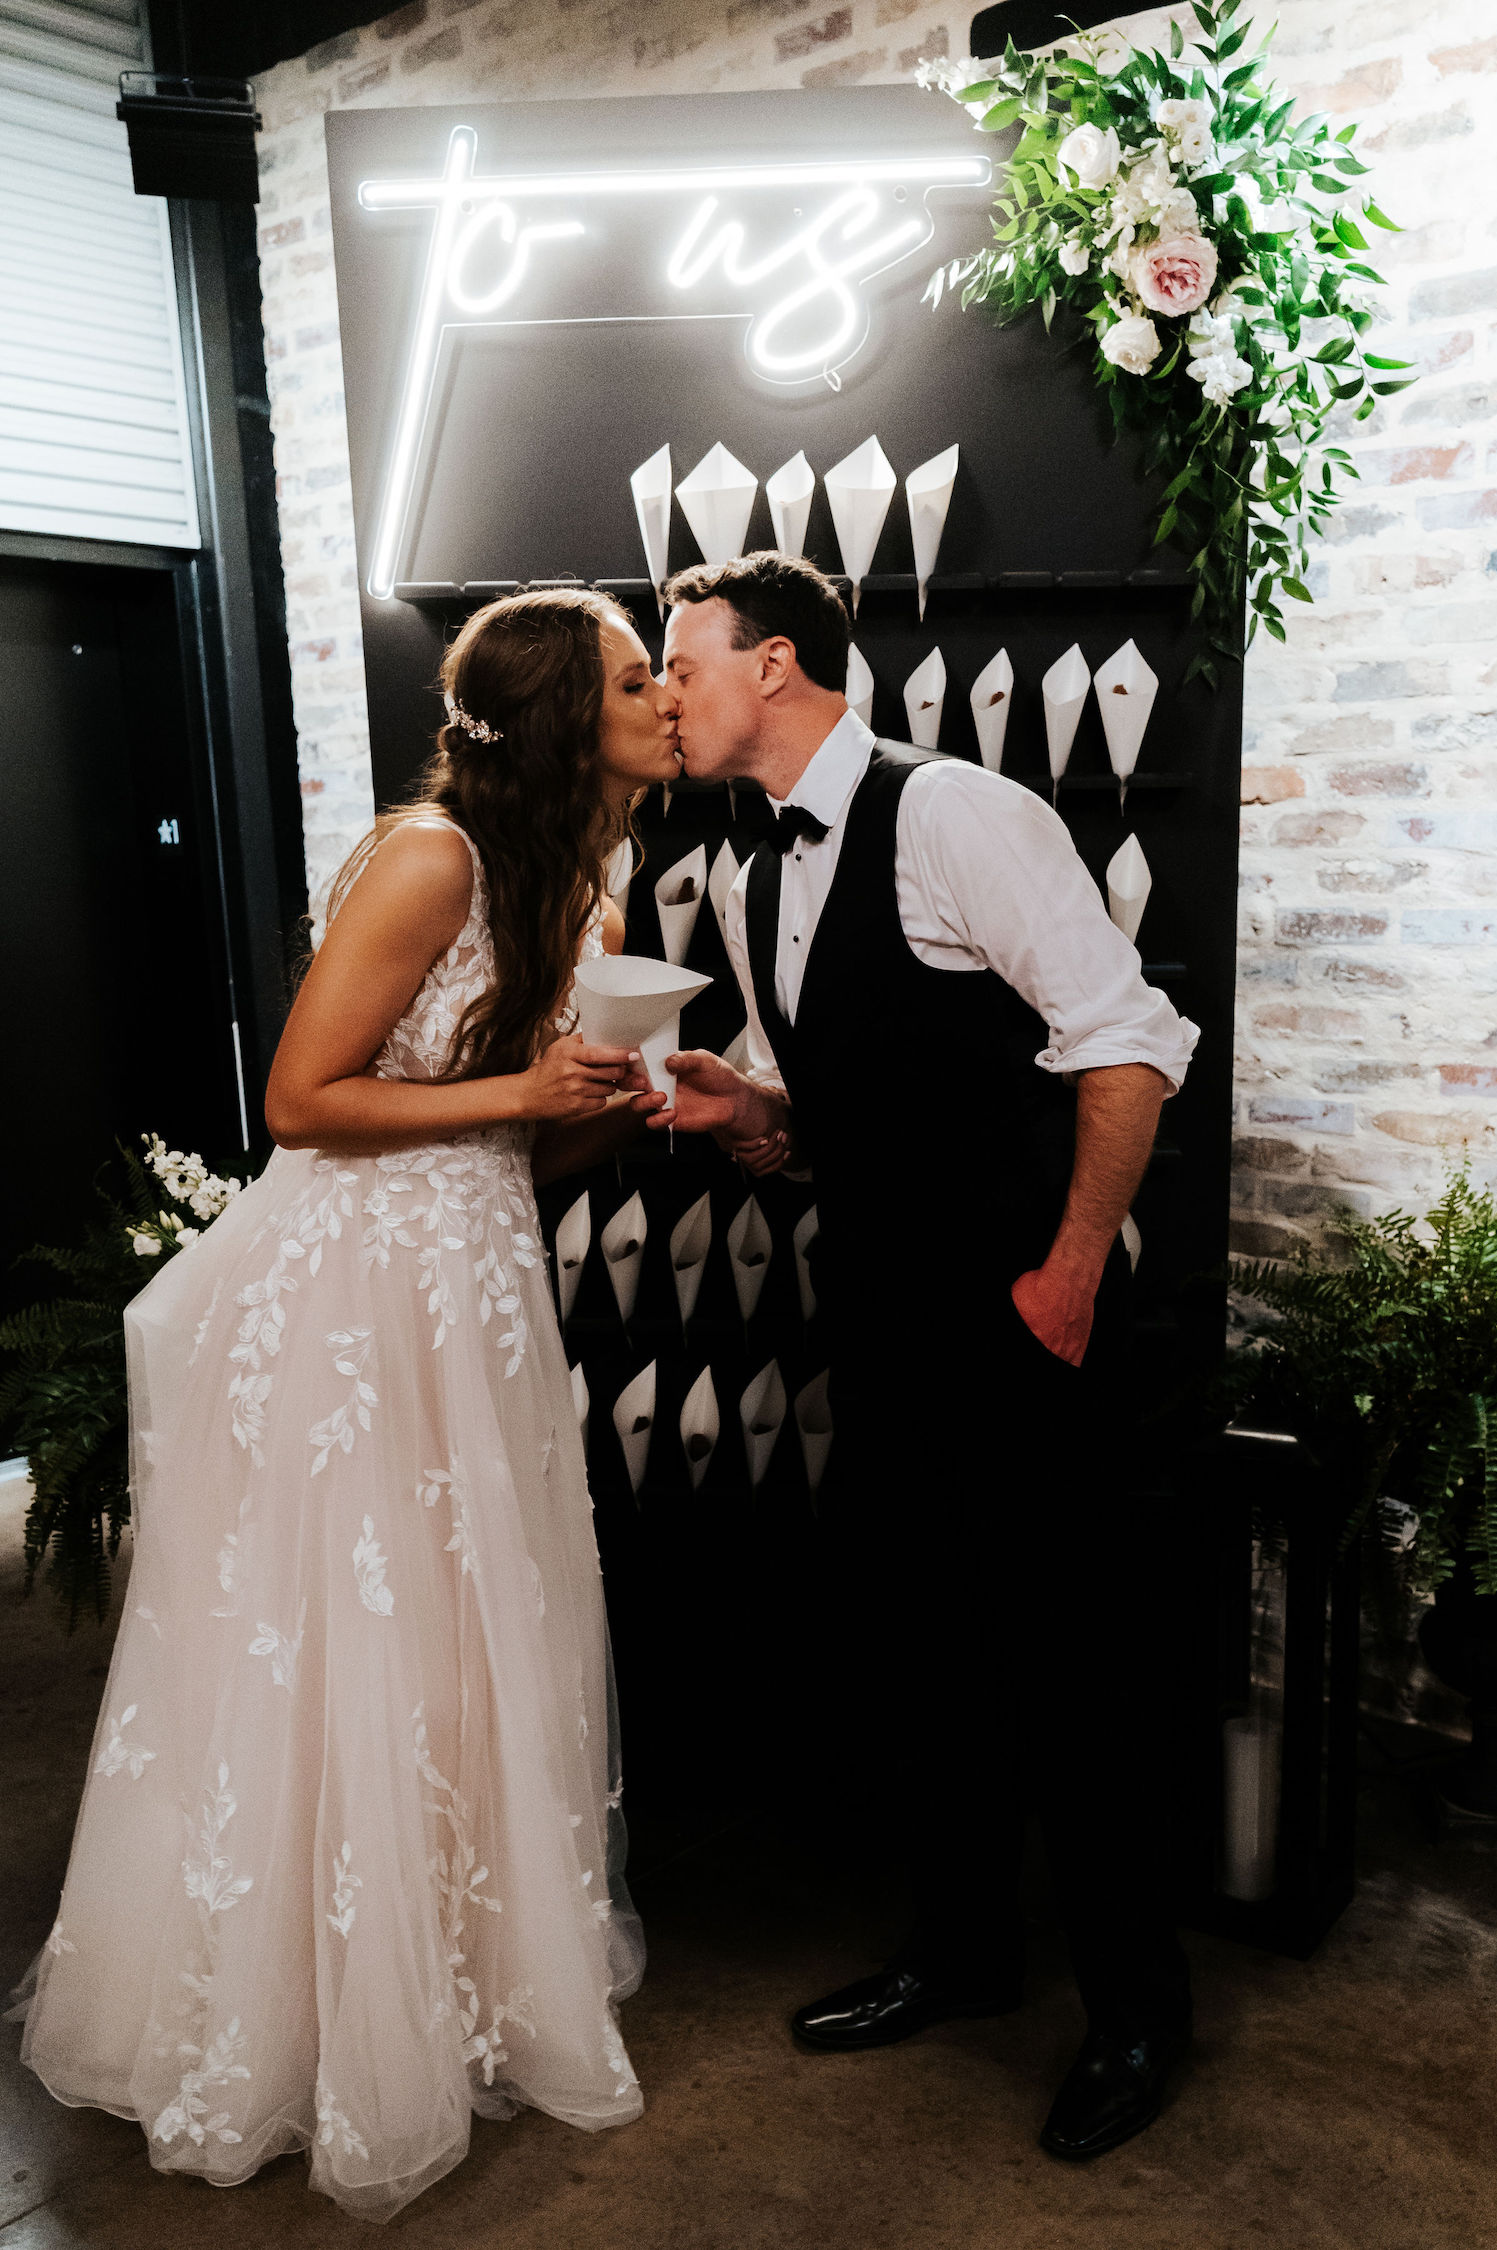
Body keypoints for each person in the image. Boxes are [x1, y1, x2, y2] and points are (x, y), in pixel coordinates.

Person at [16, 590, 677, 2220]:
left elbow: (521, 1143)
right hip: (357, 1285)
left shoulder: (586, 881)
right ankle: (294, 2006)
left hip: (480, 1278)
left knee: (470, 1631)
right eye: (634, 675)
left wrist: (614, 1101)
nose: (665, 698)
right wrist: (527, 1086)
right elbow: (302, 1098)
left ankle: (448, 1970)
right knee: (347, 1625)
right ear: (552, 715)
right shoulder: (433, 858)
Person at [654, 552, 1200, 2162]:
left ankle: (1140, 2012)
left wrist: (1069, 1275)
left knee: (1078, 1677)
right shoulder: (752, 879)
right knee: (934, 1650)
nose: (666, 692)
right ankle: (963, 1956)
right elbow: (860, 1111)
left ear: (774, 663)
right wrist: (752, 1113)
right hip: (879, 1321)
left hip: (1027, 1318)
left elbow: (1125, 1040)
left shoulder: (958, 808)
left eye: (682, 661)